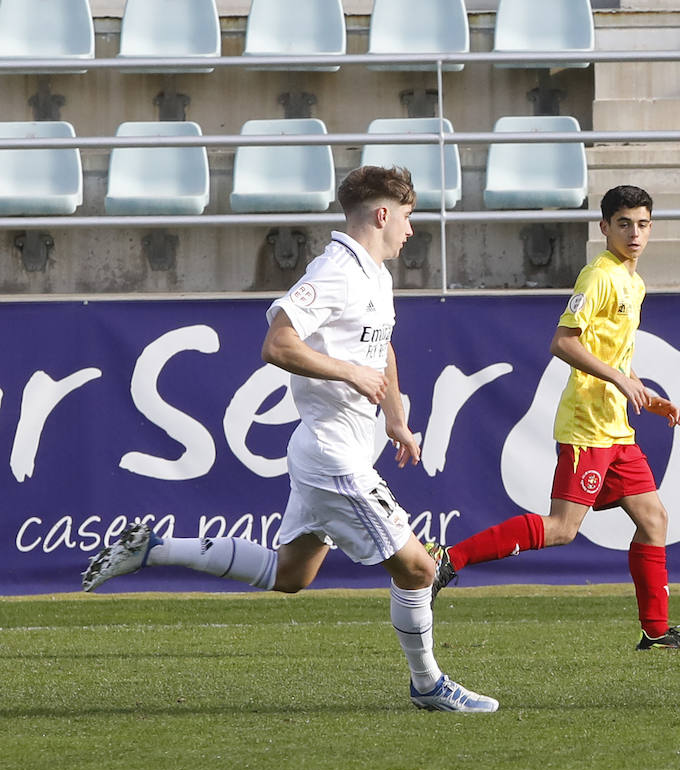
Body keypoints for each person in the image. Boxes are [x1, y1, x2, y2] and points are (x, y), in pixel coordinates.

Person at [80, 166, 499, 715]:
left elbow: (382, 348)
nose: (410, 229)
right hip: (331, 456)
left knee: (291, 574)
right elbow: (277, 344)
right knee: (419, 569)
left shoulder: (375, 275)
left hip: (330, 449)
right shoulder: (335, 271)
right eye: (407, 217)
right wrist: (349, 374)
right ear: (382, 214)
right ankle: (427, 685)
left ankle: (154, 549)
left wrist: (395, 417)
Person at [426, 185, 680, 652]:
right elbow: (563, 342)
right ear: (604, 227)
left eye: (642, 224)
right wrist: (618, 380)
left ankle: (657, 633)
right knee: (562, 528)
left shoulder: (634, 282)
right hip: (587, 426)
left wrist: (642, 391)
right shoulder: (598, 276)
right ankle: (447, 558)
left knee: (654, 519)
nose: (634, 233)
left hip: (617, 428)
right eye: (624, 224)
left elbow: (613, 353)